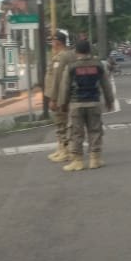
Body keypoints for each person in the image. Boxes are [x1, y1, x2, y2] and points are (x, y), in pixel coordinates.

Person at [57, 40, 115, 171]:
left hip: (76, 104)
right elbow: (106, 84)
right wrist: (109, 101)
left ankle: (77, 161)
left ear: (76, 52)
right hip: (94, 102)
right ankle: (95, 159)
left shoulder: (71, 67)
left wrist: (63, 104)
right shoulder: (98, 65)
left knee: (76, 133)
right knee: (95, 130)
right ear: (90, 51)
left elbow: (64, 87)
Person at [44, 31, 75, 163]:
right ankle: (61, 148)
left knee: (61, 123)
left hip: (59, 95)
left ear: (59, 41)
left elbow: (57, 79)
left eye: (53, 40)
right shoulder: (62, 55)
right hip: (59, 94)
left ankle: (65, 150)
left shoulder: (62, 57)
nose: (52, 42)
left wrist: (54, 98)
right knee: (61, 123)